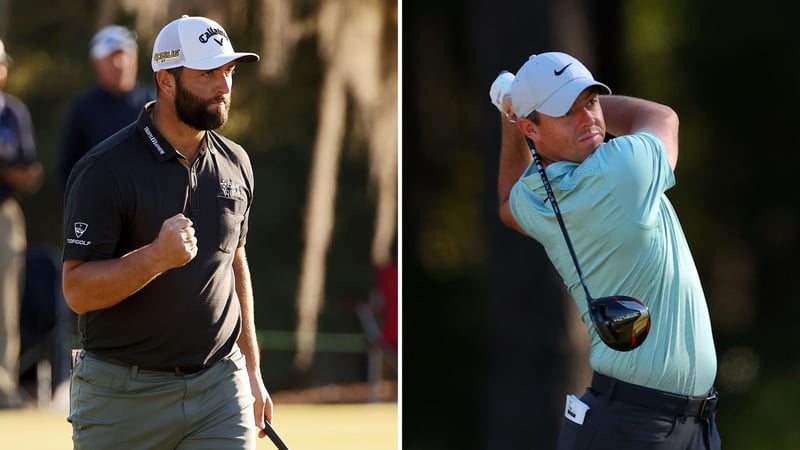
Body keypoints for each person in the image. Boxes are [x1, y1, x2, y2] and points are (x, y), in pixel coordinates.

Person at [489, 52, 720, 449]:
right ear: (534, 128)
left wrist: (513, 114)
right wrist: (519, 103)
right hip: (639, 428)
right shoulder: (620, 170)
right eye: (567, 111)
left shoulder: (540, 195)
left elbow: (508, 199)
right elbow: (663, 117)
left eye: (591, 102)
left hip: (665, 424)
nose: (589, 119)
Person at [62, 15, 272, 448]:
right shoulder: (105, 169)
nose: (224, 86)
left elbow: (234, 260)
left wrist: (251, 370)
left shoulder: (237, 162)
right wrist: (154, 258)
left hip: (219, 389)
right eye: (208, 73)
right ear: (166, 80)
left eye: (228, 71)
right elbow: (77, 290)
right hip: (122, 399)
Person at [57, 25, 155, 191]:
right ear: (96, 63)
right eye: (110, 58)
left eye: (124, 55)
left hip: (149, 202)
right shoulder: (83, 107)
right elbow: (68, 168)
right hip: (99, 206)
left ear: (135, 58)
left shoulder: (154, 102)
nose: (119, 64)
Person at [0, 39, 43, 408]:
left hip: (4, 214)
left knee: (4, 304)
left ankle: (2, 387)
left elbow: (30, 172)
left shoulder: (13, 113)